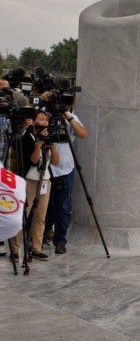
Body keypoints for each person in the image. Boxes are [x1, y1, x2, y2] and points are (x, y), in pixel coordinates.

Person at [9, 109, 60, 262]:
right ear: (33, 121)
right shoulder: (26, 138)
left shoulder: (49, 139)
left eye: (46, 120)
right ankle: (15, 250)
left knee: (40, 217)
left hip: (45, 181)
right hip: (30, 181)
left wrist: (53, 147)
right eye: (41, 119)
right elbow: (33, 161)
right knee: (23, 216)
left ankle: (36, 248)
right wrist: (38, 146)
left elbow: (56, 162)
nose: (45, 122)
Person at [43, 107, 88, 254]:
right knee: (44, 205)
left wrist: (67, 116)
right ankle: (41, 236)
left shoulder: (71, 117)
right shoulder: (43, 113)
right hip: (45, 167)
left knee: (63, 206)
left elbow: (82, 133)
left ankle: (60, 241)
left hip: (65, 168)